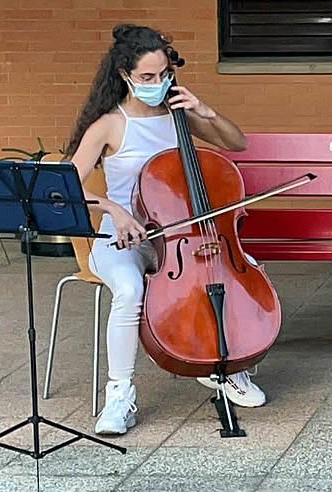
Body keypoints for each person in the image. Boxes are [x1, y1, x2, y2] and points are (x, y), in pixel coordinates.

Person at [66, 24, 267, 435]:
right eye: (147, 78)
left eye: (163, 76)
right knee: (129, 291)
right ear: (125, 75)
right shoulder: (109, 125)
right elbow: (65, 187)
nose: (157, 84)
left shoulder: (179, 115)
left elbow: (237, 143)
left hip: (183, 238)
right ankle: (119, 395)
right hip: (123, 238)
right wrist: (113, 208)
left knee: (243, 271)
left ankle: (227, 366)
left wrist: (204, 110)